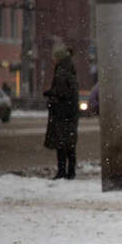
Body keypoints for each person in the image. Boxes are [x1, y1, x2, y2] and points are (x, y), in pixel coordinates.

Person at [43, 45, 79, 180]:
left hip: (62, 113)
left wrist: (52, 93)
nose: (53, 60)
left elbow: (64, 92)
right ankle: (70, 172)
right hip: (69, 114)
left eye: (54, 57)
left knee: (62, 144)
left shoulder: (62, 71)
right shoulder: (69, 69)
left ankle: (63, 172)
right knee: (69, 144)